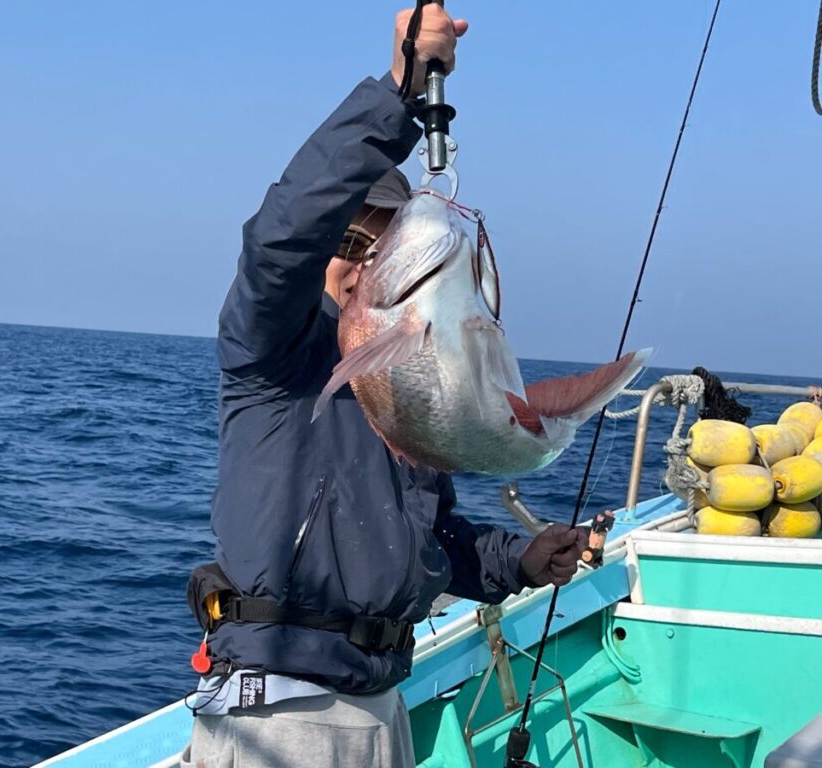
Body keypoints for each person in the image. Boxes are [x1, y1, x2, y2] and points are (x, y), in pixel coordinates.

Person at [183, 7, 585, 767]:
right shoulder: (270, 354)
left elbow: (429, 543)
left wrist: (520, 561)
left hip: (382, 705)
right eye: (346, 241)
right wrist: (401, 91)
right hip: (283, 714)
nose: (363, 263)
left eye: (384, 242)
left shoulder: (411, 386)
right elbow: (279, 239)